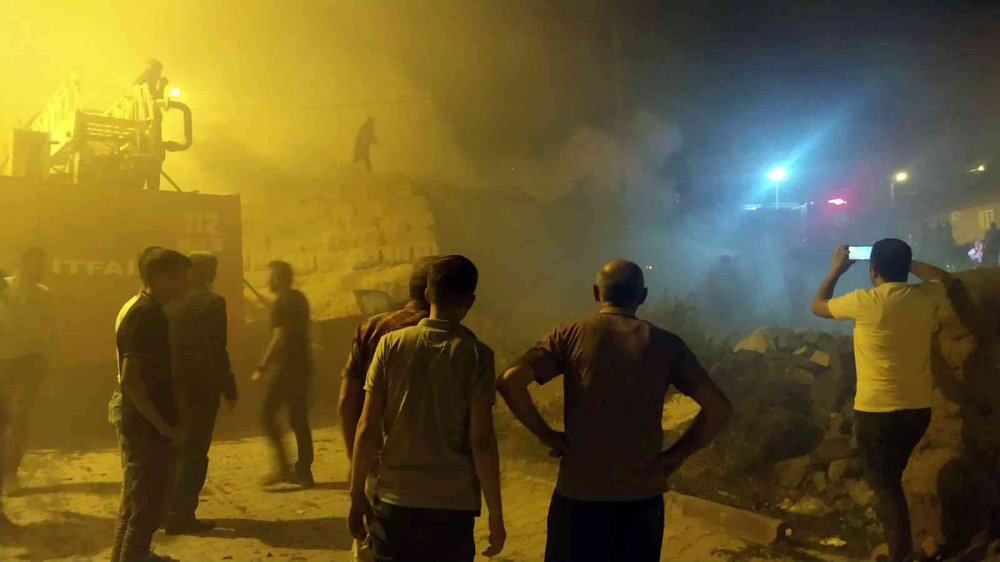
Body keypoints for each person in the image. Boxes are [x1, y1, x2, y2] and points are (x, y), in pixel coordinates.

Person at [497, 260, 733, 562]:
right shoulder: (667, 345)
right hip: (641, 501)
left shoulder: (569, 335)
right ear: (642, 296)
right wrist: (675, 456)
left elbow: (510, 381)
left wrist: (547, 436)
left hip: (578, 496)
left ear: (597, 293)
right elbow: (719, 409)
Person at [348, 255, 505, 562]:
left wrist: (356, 495)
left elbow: (367, 427)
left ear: (428, 294)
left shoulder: (390, 345)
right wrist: (496, 515)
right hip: (453, 507)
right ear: (470, 301)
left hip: (396, 501)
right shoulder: (477, 355)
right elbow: (482, 441)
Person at [811, 240, 950, 562]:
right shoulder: (926, 295)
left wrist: (836, 270)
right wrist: (906, 263)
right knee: (893, 480)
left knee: (885, 486)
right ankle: (904, 543)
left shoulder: (864, 301)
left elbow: (817, 305)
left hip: (876, 413)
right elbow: (946, 279)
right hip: (918, 411)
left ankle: (900, 555)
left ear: (872, 269)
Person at [338, 256, 436, 561]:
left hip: (381, 465)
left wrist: (357, 461)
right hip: (439, 471)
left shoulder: (372, 327)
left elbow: (347, 403)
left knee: (373, 547)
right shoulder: (456, 338)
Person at [108, 247, 191, 562]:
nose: (185, 284)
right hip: (145, 426)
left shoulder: (137, 306)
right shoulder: (147, 315)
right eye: (180, 277)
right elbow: (132, 380)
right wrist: (164, 427)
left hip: (139, 420)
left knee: (133, 503)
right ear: (158, 277)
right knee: (147, 507)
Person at [163, 252, 237, 535]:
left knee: (173, 448)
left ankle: (165, 510)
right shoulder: (212, 303)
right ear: (209, 273)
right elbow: (216, 349)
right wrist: (228, 385)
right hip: (199, 387)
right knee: (195, 450)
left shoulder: (167, 302)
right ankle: (182, 514)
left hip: (169, 384)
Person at [253, 260, 314, 487]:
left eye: (270, 276)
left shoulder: (280, 304)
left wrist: (261, 367)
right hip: (303, 365)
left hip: (286, 368)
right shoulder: (300, 298)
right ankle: (304, 472)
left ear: (277, 278)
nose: (267, 280)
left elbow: (279, 338)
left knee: (266, 415)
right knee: (299, 419)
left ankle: (283, 467)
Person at [0, 247, 55, 494]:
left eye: (41, 264)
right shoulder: (3, 287)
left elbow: (48, 331)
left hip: (29, 362)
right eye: (34, 262)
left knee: (19, 416)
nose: (38, 268)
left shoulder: (44, 295)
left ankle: (11, 474)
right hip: (3, 360)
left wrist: (44, 359)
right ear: (22, 262)